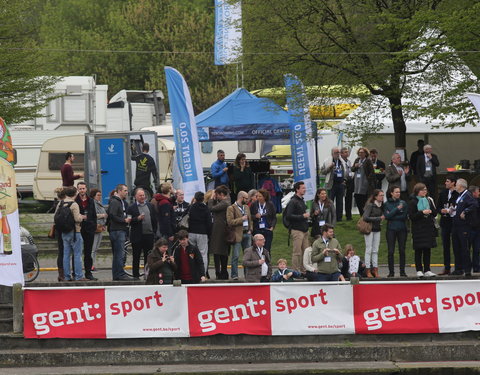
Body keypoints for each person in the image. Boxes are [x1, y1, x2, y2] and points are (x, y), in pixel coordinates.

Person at [58, 186, 88, 281]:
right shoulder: (74, 204)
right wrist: (82, 217)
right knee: (77, 254)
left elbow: (55, 217)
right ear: (75, 194)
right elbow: (77, 219)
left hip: (64, 232)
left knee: (66, 254)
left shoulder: (61, 203)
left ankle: (66, 276)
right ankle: (78, 276)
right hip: (75, 232)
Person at [408, 183, 437, 278]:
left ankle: (427, 269)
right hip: (418, 229)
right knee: (418, 250)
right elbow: (412, 216)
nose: (425, 191)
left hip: (428, 227)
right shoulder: (413, 202)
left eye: (425, 190)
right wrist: (422, 212)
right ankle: (419, 270)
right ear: (417, 191)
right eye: (422, 190)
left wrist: (430, 211)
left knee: (427, 249)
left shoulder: (429, 200)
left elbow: (435, 212)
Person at [127, 188, 157, 279]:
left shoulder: (150, 205)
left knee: (148, 256)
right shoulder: (131, 208)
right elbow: (129, 221)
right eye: (140, 195)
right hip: (137, 236)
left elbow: (154, 219)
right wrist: (137, 219)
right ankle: (135, 275)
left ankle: (147, 274)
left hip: (149, 235)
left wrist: (154, 231)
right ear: (136, 196)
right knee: (136, 256)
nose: (142, 197)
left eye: (143, 195)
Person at [451, 178, 478, 277]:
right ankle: (458, 268)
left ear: (461, 186)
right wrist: (453, 209)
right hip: (456, 225)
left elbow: (474, 205)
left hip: (463, 226)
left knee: (464, 248)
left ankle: (467, 269)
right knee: (456, 247)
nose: (455, 186)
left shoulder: (467, 195)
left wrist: (465, 211)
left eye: (456, 184)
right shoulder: (460, 196)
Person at [107, 184, 132, 281]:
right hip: (117, 230)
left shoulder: (121, 202)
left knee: (118, 253)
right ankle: (120, 273)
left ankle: (117, 274)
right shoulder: (115, 202)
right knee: (119, 253)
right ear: (120, 191)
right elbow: (112, 215)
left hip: (120, 229)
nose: (126, 192)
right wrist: (123, 220)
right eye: (125, 190)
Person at [284, 181, 310, 272]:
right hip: (297, 230)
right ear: (297, 189)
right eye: (302, 188)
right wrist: (302, 216)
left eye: (304, 187)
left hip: (305, 229)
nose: (305, 189)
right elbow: (289, 215)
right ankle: (295, 270)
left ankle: (304, 270)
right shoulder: (293, 201)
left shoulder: (302, 200)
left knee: (306, 252)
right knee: (297, 252)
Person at [227, 191, 253, 280]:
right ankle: (234, 275)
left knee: (248, 256)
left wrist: (250, 229)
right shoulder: (231, 208)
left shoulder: (246, 207)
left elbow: (250, 220)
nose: (247, 200)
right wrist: (241, 219)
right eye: (246, 198)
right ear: (241, 198)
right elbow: (230, 222)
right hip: (237, 234)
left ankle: (247, 274)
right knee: (236, 256)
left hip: (247, 233)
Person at [75, 182, 97, 281]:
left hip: (89, 228)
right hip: (79, 228)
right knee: (77, 252)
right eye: (80, 189)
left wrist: (94, 226)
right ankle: (76, 272)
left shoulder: (91, 201)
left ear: (86, 189)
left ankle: (88, 272)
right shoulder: (75, 201)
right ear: (77, 189)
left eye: (83, 188)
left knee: (88, 252)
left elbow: (94, 214)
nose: (82, 190)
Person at [436, 175, 459, 275]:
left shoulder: (458, 193)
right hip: (445, 222)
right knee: (446, 246)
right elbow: (438, 207)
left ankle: (458, 267)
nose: (446, 183)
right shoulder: (443, 193)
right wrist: (441, 210)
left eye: (448, 181)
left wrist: (452, 210)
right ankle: (447, 267)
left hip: (454, 222)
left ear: (453, 183)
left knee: (456, 245)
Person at [384, 186, 408, 277]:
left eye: (399, 192)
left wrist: (392, 215)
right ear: (391, 193)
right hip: (391, 229)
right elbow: (387, 216)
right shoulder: (386, 204)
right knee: (390, 251)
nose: (398, 193)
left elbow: (404, 216)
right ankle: (391, 272)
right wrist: (397, 209)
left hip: (402, 229)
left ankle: (402, 271)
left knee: (402, 250)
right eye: (396, 192)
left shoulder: (403, 203)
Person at [208, 185, 231, 280]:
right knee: (218, 252)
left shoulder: (225, 203)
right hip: (218, 230)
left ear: (221, 194)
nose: (215, 196)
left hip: (221, 230)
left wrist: (211, 198)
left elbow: (211, 208)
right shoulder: (224, 202)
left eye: (217, 195)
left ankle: (223, 272)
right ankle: (220, 271)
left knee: (221, 252)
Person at [188, 191, 212, 276]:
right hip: (202, 233)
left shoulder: (191, 207)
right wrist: (209, 234)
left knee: (191, 253)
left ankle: (191, 272)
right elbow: (209, 223)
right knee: (203, 253)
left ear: (195, 198)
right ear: (203, 198)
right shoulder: (206, 209)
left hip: (191, 232)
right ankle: (203, 274)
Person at [362, 189, 385, 278]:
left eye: (383, 195)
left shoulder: (381, 206)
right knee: (369, 249)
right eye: (380, 195)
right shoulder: (370, 205)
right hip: (369, 229)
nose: (382, 197)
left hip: (377, 229)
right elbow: (365, 217)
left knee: (375, 250)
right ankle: (368, 269)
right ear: (375, 196)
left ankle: (375, 269)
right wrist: (378, 218)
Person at [320, 147, 346, 222]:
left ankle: (339, 218)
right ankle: (330, 217)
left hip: (340, 184)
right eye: (336, 153)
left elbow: (345, 172)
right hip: (331, 184)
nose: (338, 154)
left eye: (339, 152)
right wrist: (330, 167)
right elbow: (322, 172)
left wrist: (344, 180)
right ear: (332, 154)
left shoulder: (342, 161)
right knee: (330, 201)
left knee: (340, 202)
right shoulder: (327, 161)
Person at [250, 189, 276, 253]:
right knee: (257, 249)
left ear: (264, 197)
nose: (258, 198)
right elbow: (250, 216)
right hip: (257, 229)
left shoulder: (270, 204)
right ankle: (257, 262)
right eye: (257, 196)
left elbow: (274, 217)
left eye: (260, 196)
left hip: (267, 229)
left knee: (267, 249)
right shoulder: (254, 204)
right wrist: (255, 216)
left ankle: (266, 262)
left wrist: (272, 227)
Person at [351, 147, 375, 216]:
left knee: (364, 199)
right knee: (357, 198)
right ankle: (361, 214)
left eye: (362, 152)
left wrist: (368, 180)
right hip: (357, 183)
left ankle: (365, 214)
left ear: (365, 154)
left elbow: (371, 172)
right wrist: (356, 166)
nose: (360, 154)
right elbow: (352, 169)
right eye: (359, 153)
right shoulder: (357, 160)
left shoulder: (368, 161)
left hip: (364, 183)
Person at [90, 188, 107, 272]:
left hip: (100, 227)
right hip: (95, 227)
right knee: (93, 248)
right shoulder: (93, 203)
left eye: (100, 195)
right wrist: (102, 215)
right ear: (94, 196)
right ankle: (90, 265)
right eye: (98, 195)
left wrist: (104, 224)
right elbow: (93, 215)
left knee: (96, 248)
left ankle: (93, 264)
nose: (100, 197)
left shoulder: (99, 203)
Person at [466, 185, 480, 273]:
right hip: (469, 228)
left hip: (477, 229)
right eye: (478, 191)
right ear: (474, 192)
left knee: (477, 249)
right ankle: (467, 268)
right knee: (467, 249)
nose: (479, 193)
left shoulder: (478, 201)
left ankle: (476, 267)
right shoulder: (467, 202)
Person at [341, 147, 354, 221]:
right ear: (342, 154)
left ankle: (348, 215)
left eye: (347, 152)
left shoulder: (349, 161)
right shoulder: (340, 161)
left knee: (349, 199)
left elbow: (350, 170)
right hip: (342, 180)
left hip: (349, 181)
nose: (347, 153)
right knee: (340, 199)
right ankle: (339, 215)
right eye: (345, 152)